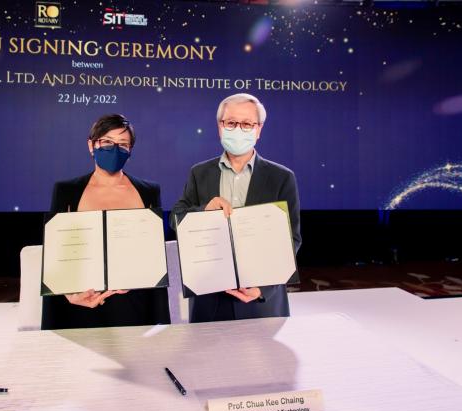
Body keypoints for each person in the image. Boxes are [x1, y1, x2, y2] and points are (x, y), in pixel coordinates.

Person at [171, 93, 301, 322]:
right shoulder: (199, 173)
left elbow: (292, 240)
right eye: (231, 122)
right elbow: (176, 219)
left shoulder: (282, 177)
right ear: (220, 127)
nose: (238, 129)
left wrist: (263, 288)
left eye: (247, 124)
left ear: (259, 129)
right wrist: (204, 211)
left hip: (262, 304)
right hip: (209, 300)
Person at [42, 114, 170, 330]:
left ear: (130, 150)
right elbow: (56, 252)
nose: (115, 149)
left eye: (123, 144)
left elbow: (154, 252)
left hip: (134, 303)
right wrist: (69, 294)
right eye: (107, 142)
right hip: (83, 302)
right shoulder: (66, 191)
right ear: (91, 145)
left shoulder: (148, 191)